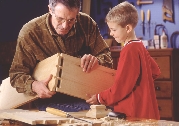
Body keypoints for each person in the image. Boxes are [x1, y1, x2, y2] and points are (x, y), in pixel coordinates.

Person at [9, 0, 113, 112]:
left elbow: (107, 57)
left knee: (114, 112)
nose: (65, 26)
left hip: (84, 93)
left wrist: (97, 60)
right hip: (51, 97)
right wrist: (34, 85)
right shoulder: (30, 32)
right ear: (50, 10)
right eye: (60, 19)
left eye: (71, 20)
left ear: (77, 12)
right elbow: (16, 75)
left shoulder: (86, 23)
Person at [86, 1, 161, 120]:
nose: (111, 33)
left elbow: (122, 87)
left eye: (114, 30)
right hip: (146, 109)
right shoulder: (139, 46)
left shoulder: (129, 50)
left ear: (128, 28)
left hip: (133, 112)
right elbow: (155, 71)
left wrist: (100, 97)